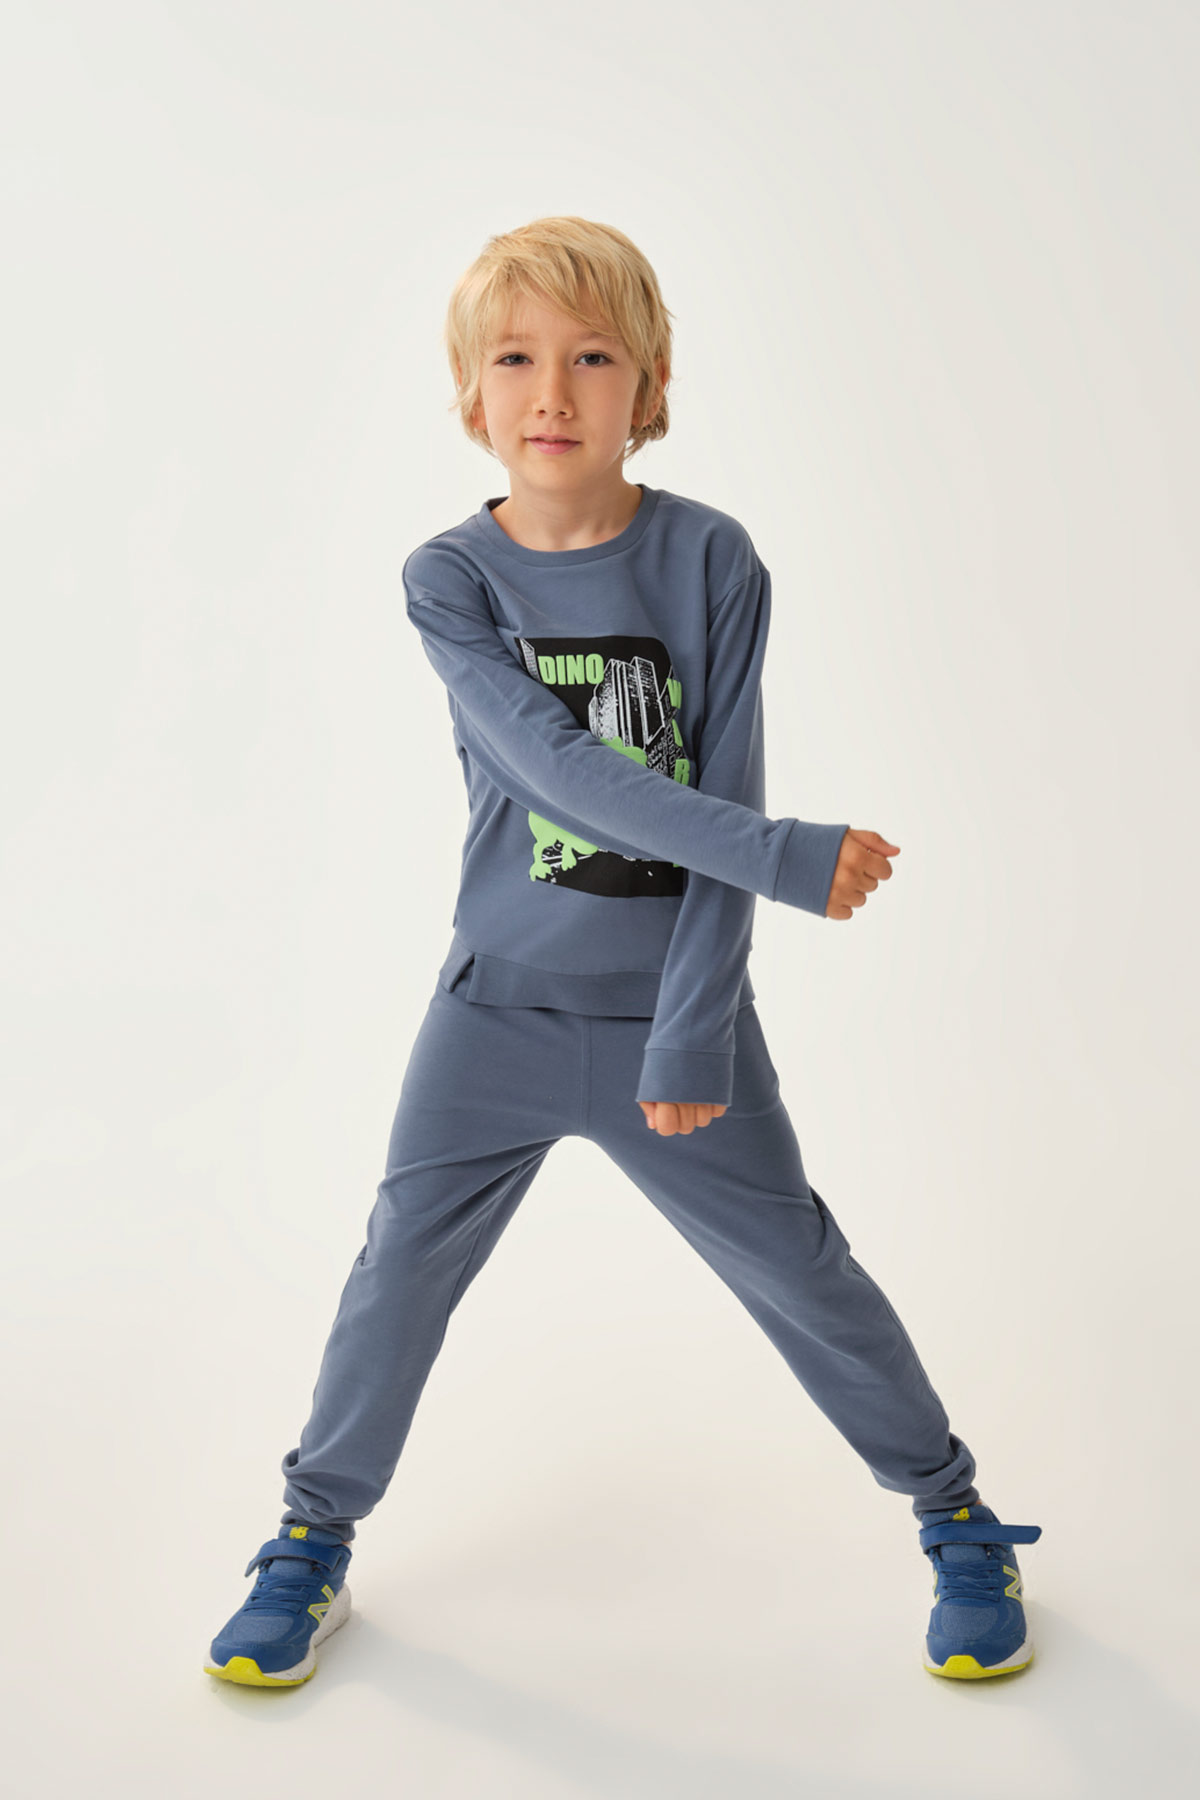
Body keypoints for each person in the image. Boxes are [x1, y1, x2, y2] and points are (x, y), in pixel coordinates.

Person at [204, 214, 1041, 1689]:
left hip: (674, 1010)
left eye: (593, 359)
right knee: (397, 1275)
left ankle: (957, 1517)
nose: (553, 392)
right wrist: (788, 855)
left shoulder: (712, 559)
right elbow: (559, 772)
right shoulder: (449, 579)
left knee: (804, 1272)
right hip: (494, 1013)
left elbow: (723, 775)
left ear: (648, 386)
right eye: (515, 359)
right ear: (471, 392)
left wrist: (689, 1031)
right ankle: (311, 1537)